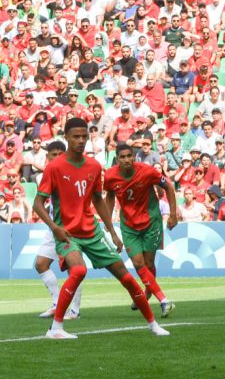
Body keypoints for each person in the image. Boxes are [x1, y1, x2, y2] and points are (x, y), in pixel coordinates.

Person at [33, 118, 169, 339]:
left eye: (84, 136)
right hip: (67, 233)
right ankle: (56, 328)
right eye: (75, 136)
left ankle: (153, 324)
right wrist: (54, 227)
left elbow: (98, 200)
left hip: (92, 231)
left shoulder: (94, 166)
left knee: (125, 277)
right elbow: (37, 204)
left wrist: (112, 232)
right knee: (78, 270)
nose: (80, 140)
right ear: (66, 137)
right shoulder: (55, 167)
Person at [104, 143, 178, 317]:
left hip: (151, 222)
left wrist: (173, 214)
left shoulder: (147, 171)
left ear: (134, 157)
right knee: (138, 264)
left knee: (149, 264)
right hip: (129, 226)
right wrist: (108, 224)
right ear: (117, 159)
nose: (127, 160)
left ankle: (148, 291)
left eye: (129, 156)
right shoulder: (110, 176)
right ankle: (164, 300)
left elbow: (168, 186)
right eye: (122, 157)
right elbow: (109, 196)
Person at [33, 141, 83, 320]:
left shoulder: (73, 173)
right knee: (40, 264)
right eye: (53, 154)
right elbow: (41, 202)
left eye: (60, 154)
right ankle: (56, 303)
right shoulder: (44, 176)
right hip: (54, 227)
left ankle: (74, 310)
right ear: (47, 157)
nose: (57, 157)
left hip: (71, 227)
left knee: (74, 268)